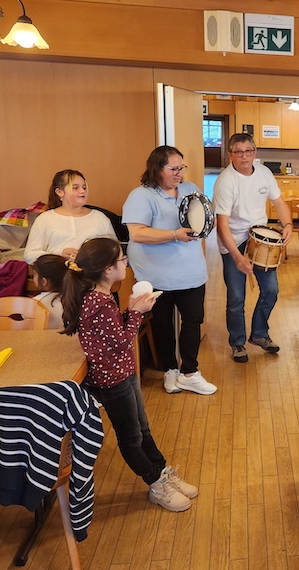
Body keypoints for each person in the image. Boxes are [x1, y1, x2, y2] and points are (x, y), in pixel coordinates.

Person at [61, 237, 198, 512]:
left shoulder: (101, 296)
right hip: (111, 380)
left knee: (143, 428)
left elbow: (112, 334)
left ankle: (161, 471)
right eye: (122, 259)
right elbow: (122, 342)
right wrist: (137, 313)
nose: (126, 263)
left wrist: (129, 311)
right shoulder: (98, 302)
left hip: (123, 373)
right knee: (131, 439)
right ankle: (156, 484)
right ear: (107, 270)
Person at [122, 145, 217, 396]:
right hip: (156, 274)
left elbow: (206, 217)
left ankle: (190, 373)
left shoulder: (189, 189)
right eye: (173, 169)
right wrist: (174, 234)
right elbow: (137, 233)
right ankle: (170, 370)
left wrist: (205, 225)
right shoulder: (141, 196)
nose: (179, 173)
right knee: (162, 324)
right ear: (157, 169)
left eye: (181, 168)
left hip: (191, 271)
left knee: (193, 321)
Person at [214, 133, 293, 363]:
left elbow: (279, 202)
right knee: (236, 297)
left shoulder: (264, 173)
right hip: (233, 240)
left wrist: (288, 224)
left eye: (248, 151)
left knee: (271, 290)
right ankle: (237, 342)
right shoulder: (225, 182)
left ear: (254, 153)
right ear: (230, 155)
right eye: (238, 152)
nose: (244, 156)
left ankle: (259, 334)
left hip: (259, 238)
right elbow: (222, 225)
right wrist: (237, 257)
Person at [24, 169, 116, 263]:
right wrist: (59, 254)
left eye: (84, 187)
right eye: (75, 188)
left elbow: (115, 250)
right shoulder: (44, 219)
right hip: (58, 270)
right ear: (60, 192)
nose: (82, 191)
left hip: (93, 270)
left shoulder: (100, 218)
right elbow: (30, 255)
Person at [32, 253, 68, 331]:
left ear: (44, 281)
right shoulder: (74, 298)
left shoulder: (35, 302)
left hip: (42, 337)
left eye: (34, 274)